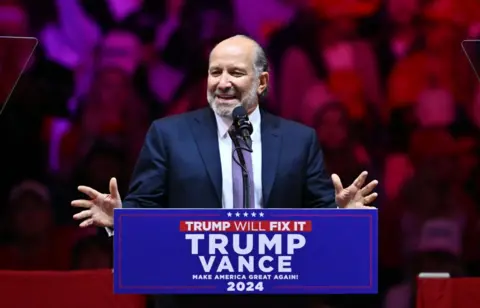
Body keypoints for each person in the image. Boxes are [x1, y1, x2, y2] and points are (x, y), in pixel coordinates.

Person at [71, 34, 378, 229]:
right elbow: (146, 206)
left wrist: (340, 216)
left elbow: (316, 216)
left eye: (236, 72)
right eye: (215, 72)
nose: (223, 82)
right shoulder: (168, 135)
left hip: (275, 295)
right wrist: (122, 217)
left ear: (262, 83)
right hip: (193, 294)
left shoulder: (298, 140)